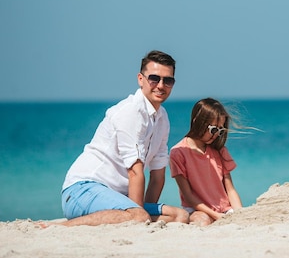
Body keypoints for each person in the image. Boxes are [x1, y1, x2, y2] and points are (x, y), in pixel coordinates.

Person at [60, 50, 189, 226]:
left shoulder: (162, 118)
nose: (160, 85)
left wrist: (143, 211)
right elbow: (135, 171)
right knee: (139, 216)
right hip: (82, 189)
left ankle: (133, 216)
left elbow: (158, 175)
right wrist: (139, 216)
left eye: (168, 80)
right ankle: (61, 227)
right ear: (140, 79)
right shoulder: (131, 112)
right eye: (154, 78)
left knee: (180, 216)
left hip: (117, 199)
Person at [169, 98, 243, 226]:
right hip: (196, 209)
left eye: (220, 131)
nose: (216, 135)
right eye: (213, 129)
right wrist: (216, 216)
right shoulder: (178, 153)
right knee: (203, 221)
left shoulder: (220, 151)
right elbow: (188, 196)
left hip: (224, 209)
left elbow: (230, 190)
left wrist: (240, 213)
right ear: (197, 121)